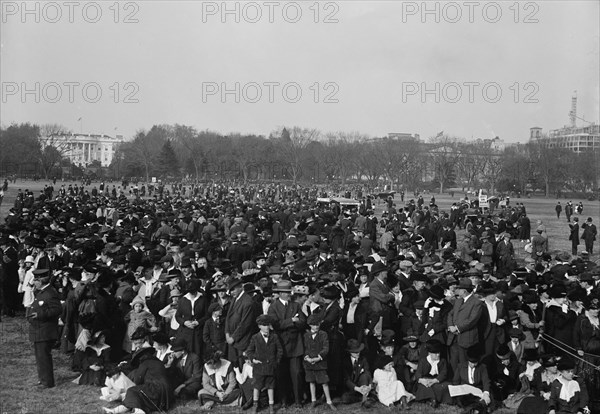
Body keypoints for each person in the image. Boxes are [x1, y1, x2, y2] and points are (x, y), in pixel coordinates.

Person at [102, 346, 172, 414]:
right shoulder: (158, 362)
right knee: (136, 392)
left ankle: (138, 411)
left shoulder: (145, 363)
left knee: (132, 390)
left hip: (155, 388)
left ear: (142, 357)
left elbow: (138, 380)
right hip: (165, 392)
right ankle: (115, 411)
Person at [27, 268, 62, 388]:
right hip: (39, 329)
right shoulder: (42, 292)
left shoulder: (50, 293)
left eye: (35, 280)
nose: (34, 283)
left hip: (45, 330)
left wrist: (40, 315)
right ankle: (43, 379)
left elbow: (57, 309)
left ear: (41, 280)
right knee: (40, 356)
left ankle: (47, 382)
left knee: (44, 356)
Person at [245, 314, 283, 414]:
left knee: (271, 386)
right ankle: (255, 404)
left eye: (268, 325)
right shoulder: (255, 337)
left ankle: (271, 405)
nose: (266, 327)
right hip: (259, 367)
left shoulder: (274, 336)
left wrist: (276, 361)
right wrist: (253, 360)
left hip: (271, 366)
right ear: (259, 326)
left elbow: (279, 350)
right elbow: (249, 351)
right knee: (257, 386)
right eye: (264, 325)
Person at [446, 278, 483, 372]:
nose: (456, 290)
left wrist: (457, 328)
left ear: (464, 291)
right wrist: (450, 326)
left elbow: (472, 320)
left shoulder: (476, 303)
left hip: (466, 339)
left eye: (459, 289)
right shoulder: (458, 301)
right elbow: (450, 314)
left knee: (464, 363)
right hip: (453, 338)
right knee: (454, 362)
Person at [303, 312, 336, 410]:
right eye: (313, 325)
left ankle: (329, 401)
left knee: (324, 382)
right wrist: (308, 358)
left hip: (320, 362)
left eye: (317, 324)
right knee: (311, 381)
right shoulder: (306, 335)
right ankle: (313, 400)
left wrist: (318, 358)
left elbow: (326, 348)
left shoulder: (323, 334)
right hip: (309, 362)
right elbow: (305, 348)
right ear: (309, 325)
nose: (316, 326)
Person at [413, 339, 451, 408]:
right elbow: (418, 373)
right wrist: (422, 380)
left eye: (438, 353)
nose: (438, 355)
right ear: (429, 353)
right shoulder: (423, 360)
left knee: (446, 385)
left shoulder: (443, 361)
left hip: (436, 380)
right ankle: (433, 399)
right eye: (435, 353)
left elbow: (444, 373)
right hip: (426, 380)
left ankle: (431, 398)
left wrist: (434, 381)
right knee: (423, 387)